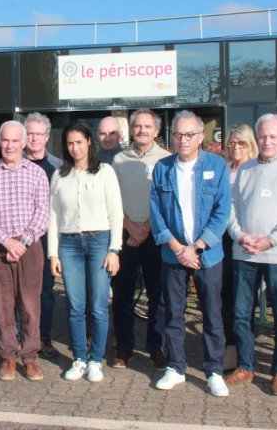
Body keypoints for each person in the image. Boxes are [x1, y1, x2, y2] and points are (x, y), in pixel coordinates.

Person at [224, 114, 277, 396]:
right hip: (245, 254)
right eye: (262, 136)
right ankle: (245, 366)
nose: (267, 141)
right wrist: (240, 235)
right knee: (240, 314)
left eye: (273, 136)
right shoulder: (246, 169)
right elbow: (231, 208)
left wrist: (270, 241)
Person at [150, 111, 231, 396]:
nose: (182, 140)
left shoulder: (217, 166)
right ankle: (176, 367)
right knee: (173, 313)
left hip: (207, 254)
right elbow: (156, 212)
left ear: (200, 138)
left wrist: (196, 247)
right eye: (177, 134)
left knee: (212, 313)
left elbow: (222, 210)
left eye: (188, 135)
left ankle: (214, 371)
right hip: (173, 254)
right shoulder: (162, 168)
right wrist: (177, 248)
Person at [49, 121, 123, 383]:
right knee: (75, 306)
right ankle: (80, 358)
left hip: (99, 242)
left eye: (79, 142)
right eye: (70, 143)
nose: (75, 148)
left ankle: (96, 360)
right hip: (69, 245)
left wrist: (114, 249)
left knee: (99, 306)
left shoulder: (104, 172)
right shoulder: (59, 176)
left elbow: (116, 213)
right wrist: (53, 253)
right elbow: (53, 217)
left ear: (89, 142)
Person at [0, 120, 49, 382]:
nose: (10, 145)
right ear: (0, 142)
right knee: (3, 305)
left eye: (15, 140)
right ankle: (8, 356)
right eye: (6, 140)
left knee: (30, 305)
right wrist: (7, 242)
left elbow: (43, 212)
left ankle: (29, 357)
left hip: (29, 248)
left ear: (24, 142)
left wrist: (23, 242)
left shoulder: (37, 173)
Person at [110, 108, 171, 369]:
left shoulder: (167, 159)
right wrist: (131, 228)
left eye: (147, 126)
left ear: (156, 131)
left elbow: (167, 200)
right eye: (137, 126)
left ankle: (156, 347)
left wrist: (145, 227)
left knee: (158, 295)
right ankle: (124, 348)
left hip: (156, 235)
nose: (142, 130)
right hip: (125, 234)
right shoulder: (119, 160)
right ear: (131, 130)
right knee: (122, 294)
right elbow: (112, 199)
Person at [23, 112, 62, 359]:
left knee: (46, 292)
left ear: (47, 136)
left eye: (39, 134)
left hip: (48, 238)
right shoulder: (14, 163)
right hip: (20, 239)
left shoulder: (58, 167)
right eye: (30, 133)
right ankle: (23, 336)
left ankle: (44, 337)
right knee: (22, 292)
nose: (34, 138)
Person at [220, 123, 258, 370]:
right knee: (225, 293)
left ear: (250, 144)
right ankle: (230, 346)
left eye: (241, 143)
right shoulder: (223, 168)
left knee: (244, 298)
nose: (236, 147)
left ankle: (245, 349)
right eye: (232, 142)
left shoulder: (255, 169)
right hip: (223, 238)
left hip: (248, 237)